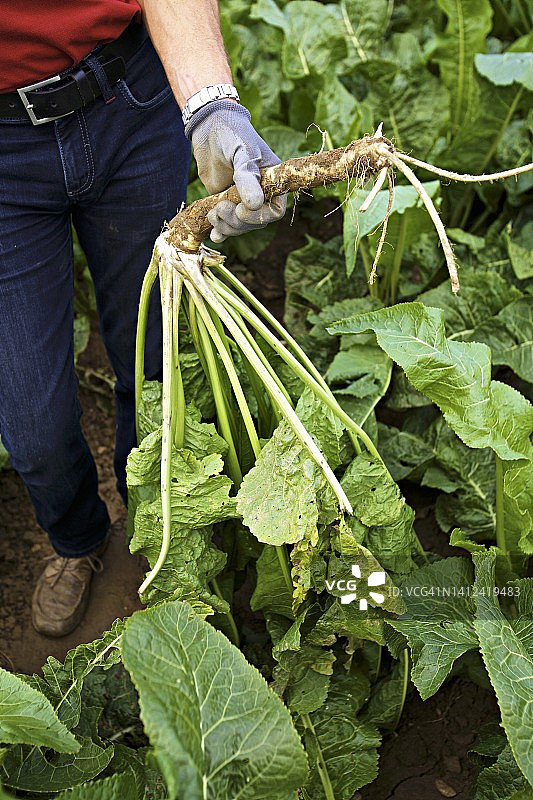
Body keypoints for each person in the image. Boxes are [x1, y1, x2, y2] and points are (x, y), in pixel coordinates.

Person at [0, 0, 285, 637]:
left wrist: (214, 107)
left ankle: (157, 524)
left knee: (157, 358)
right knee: (32, 423)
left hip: (127, 97)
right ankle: (76, 541)